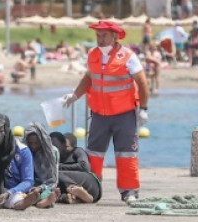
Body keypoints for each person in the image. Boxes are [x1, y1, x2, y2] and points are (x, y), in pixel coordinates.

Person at [63, 20, 149, 203]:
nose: (100, 39)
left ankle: (129, 192)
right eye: (98, 36)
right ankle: (90, 190)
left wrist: (143, 109)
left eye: (104, 36)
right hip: (99, 114)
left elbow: (142, 83)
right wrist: (75, 95)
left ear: (115, 36)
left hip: (124, 114)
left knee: (126, 154)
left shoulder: (128, 56)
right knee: (93, 153)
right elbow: (88, 78)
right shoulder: (93, 54)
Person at [0, 114, 38, 210]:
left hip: (11, 190)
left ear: (6, 131)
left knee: (16, 198)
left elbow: (28, 180)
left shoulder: (22, 150)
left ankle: (24, 202)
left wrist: (9, 192)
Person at [50, 132, 101, 204]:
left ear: (73, 146)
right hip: (87, 192)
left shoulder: (78, 151)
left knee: (56, 174)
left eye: (66, 147)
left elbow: (84, 166)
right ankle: (76, 197)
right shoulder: (57, 155)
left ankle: (75, 188)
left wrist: (59, 166)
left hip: (89, 184)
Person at [23, 123, 60, 209]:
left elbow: (53, 179)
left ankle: (44, 202)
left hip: (47, 185)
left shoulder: (52, 152)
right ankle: (37, 200)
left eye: (36, 143)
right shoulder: (24, 151)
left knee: (46, 194)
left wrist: (40, 187)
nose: (33, 146)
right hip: (29, 184)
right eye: (30, 143)